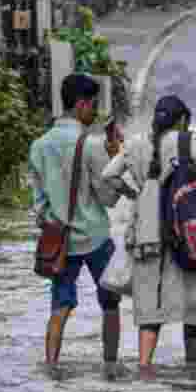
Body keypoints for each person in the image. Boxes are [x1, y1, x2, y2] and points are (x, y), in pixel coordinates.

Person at [102, 95, 196, 368]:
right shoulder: (187, 143)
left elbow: (109, 174)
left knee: (150, 308)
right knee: (193, 307)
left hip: (146, 233)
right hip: (186, 230)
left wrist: (133, 192)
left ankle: (144, 369)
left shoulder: (133, 143)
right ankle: (193, 370)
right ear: (181, 120)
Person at [28, 73, 126, 365]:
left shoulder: (39, 146)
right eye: (93, 105)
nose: (95, 112)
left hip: (60, 241)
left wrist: (55, 220)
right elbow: (108, 198)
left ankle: (51, 366)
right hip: (95, 237)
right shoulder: (92, 145)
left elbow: (39, 205)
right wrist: (115, 159)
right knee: (110, 304)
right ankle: (110, 368)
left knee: (59, 307)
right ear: (81, 104)